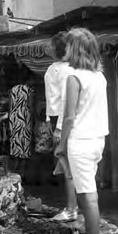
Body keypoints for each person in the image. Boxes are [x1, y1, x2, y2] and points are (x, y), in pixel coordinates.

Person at [53, 28, 109, 234]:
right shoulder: (99, 76)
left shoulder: (74, 77)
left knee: (88, 197)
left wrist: (61, 145)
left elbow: (69, 117)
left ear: (73, 49)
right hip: (97, 139)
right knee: (89, 195)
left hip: (81, 141)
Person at [44, 32, 78, 222]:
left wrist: (57, 127)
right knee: (66, 163)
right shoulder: (58, 69)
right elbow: (52, 97)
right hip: (59, 119)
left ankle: (72, 207)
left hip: (63, 121)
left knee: (68, 165)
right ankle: (72, 205)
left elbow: (65, 100)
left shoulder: (63, 71)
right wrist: (50, 119)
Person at [9, 79, 34, 177]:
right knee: (25, 144)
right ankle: (22, 171)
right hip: (24, 118)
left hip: (14, 118)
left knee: (15, 142)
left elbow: (10, 105)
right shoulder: (29, 90)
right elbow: (30, 106)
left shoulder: (13, 89)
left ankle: (15, 168)